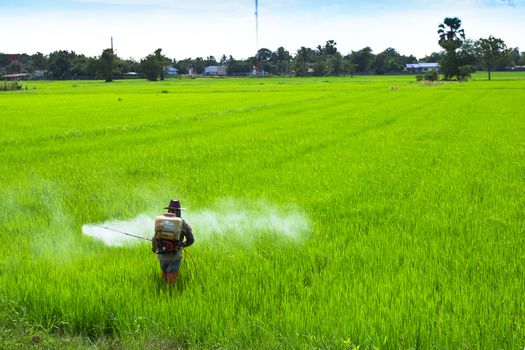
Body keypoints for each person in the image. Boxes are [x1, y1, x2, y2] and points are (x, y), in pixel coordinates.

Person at [155, 199, 194, 286]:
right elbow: (191, 240)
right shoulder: (182, 224)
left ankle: (164, 293)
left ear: (168, 210)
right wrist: (182, 245)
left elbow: (155, 238)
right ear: (179, 211)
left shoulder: (161, 221)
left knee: (164, 275)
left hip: (161, 255)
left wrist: (155, 249)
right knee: (172, 279)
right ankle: (171, 294)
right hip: (174, 256)